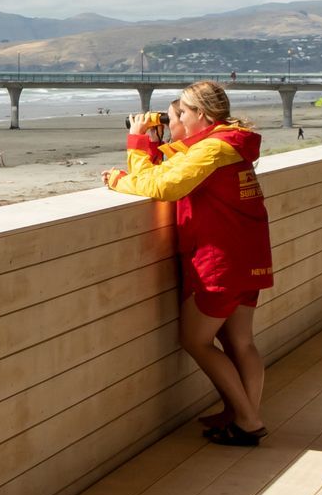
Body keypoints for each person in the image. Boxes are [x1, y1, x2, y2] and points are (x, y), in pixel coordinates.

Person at [103, 80, 271, 446]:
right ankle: (243, 413)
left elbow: (163, 186)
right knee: (241, 341)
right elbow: (178, 167)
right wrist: (154, 141)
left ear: (201, 115)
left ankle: (247, 419)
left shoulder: (213, 149)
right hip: (249, 255)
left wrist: (127, 161)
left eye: (180, 113)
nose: (175, 118)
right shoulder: (229, 144)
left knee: (196, 341)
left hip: (219, 259)